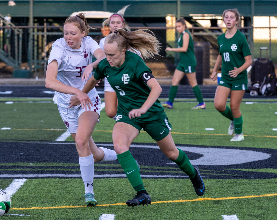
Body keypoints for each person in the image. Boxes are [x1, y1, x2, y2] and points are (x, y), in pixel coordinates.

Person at [75, 28, 205, 206]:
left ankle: (194, 175)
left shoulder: (135, 62)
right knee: (120, 146)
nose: (108, 58)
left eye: (112, 54)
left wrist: (143, 109)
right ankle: (142, 193)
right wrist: (81, 95)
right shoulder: (106, 63)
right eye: (106, 54)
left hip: (150, 113)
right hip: (128, 113)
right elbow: (92, 79)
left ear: (123, 51)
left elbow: (156, 88)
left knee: (172, 153)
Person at [45, 13, 118, 206]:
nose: (68, 37)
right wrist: (76, 92)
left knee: (80, 141)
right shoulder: (58, 47)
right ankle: (119, 155)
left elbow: (102, 57)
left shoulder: (89, 43)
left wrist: (93, 66)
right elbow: (49, 81)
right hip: (66, 104)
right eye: (66, 33)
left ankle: (89, 191)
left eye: (73, 33)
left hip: (88, 100)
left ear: (83, 33)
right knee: (92, 153)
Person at [210, 9, 252, 142]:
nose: (228, 20)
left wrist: (239, 70)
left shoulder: (240, 38)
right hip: (226, 77)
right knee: (219, 105)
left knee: (234, 107)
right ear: (223, 20)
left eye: (231, 18)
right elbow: (220, 55)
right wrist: (214, 70)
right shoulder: (221, 38)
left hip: (239, 77)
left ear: (236, 21)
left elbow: (249, 60)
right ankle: (234, 120)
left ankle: (239, 134)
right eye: (226, 17)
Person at [99, 5, 142, 118]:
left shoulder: (130, 41)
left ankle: (125, 129)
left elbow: (138, 59)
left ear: (123, 25)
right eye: (113, 23)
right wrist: (98, 75)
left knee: (123, 110)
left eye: (118, 23)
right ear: (109, 25)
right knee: (111, 112)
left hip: (126, 79)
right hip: (110, 79)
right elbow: (102, 61)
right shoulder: (103, 41)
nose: (115, 25)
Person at [163, 18, 205, 109]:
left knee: (193, 82)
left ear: (184, 26)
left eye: (179, 26)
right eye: (176, 27)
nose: (177, 28)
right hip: (182, 62)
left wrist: (171, 49)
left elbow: (184, 49)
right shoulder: (182, 35)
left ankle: (201, 103)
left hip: (189, 62)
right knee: (174, 81)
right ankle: (170, 103)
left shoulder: (186, 34)